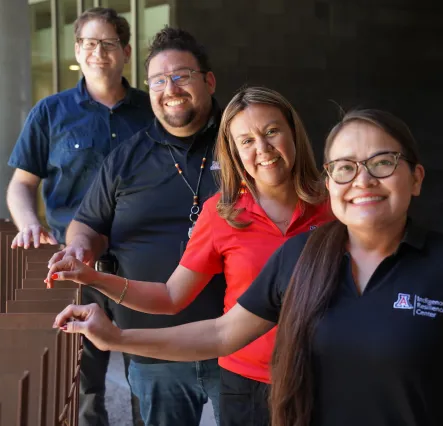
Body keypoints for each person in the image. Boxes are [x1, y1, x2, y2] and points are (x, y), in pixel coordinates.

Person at [52, 109, 443, 426]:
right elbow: (217, 335)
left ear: (416, 177)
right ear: (330, 181)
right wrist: (116, 337)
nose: (362, 180)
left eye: (382, 163)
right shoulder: (301, 257)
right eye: (345, 167)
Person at [47, 86, 333, 426]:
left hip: (326, 377)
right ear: (234, 152)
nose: (263, 149)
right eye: (246, 141)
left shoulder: (335, 205)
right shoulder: (223, 213)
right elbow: (170, 297)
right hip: (247, 383)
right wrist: (92, 277)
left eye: (272, 131)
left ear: (293, 133)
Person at [47, 27, 226, 426]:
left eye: (181, 75)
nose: (170, 88)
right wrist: (80, 248)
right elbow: (87, 224)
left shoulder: (241, 145)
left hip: (238, 340)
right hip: (152, 344)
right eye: (159, 80)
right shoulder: (126, 158)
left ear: (208, 81)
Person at [6, 8, 153, 425]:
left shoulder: (151, 113)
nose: (98, 52)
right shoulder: (50, 113)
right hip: (74, 265)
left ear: (125, 51)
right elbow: (20, 185)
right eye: (89, 43)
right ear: (76, 50)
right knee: (82, 380)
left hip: (141, 265)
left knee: (145, 372)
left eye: (108, 43)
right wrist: (28, 223)